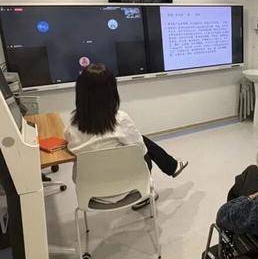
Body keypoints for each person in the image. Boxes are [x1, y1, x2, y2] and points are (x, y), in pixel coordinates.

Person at [64, 63, 188, 207]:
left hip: (89, 192)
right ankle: (162, 176)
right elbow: (141, 150)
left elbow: (71, 146)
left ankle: (172, 166)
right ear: (111, 92)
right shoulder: (120, 119)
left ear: (80, 93)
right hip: (129, 185)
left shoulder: (72, 126)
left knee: (136, 141)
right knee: (140, 144)